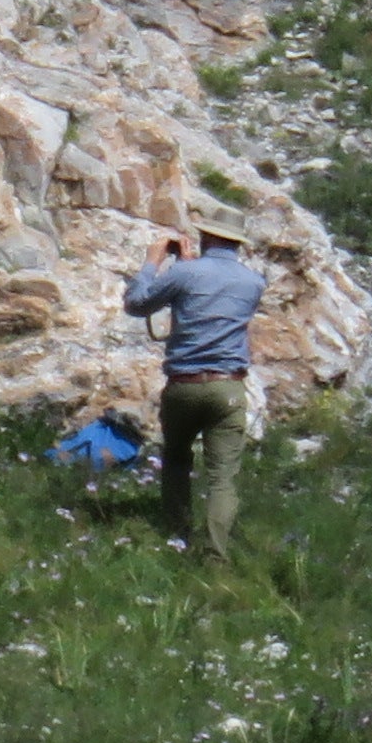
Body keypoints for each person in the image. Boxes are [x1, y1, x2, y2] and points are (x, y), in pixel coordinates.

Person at [122, 223, 267, 572]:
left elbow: (137, 304)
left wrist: (152, 263)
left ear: (206, 236)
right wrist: (187, 266)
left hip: (184, 384)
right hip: (227, 387)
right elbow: (211, 302)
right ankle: (216, 559)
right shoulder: (253, 282)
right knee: (223, 477)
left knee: (176, 461)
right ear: (237, 243)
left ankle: (177, 537)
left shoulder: (186, 273)